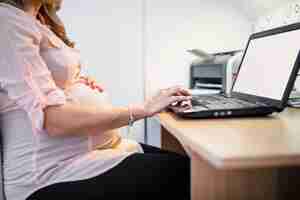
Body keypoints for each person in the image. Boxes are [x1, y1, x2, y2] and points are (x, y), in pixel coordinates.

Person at [0, 0, 192, 200]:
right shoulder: (7, 20)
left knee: (191, 167)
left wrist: (75, 83)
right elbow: (52, 120)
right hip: (48, 174)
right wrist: (143, 109)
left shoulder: (36, 19)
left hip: (89, 155)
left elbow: (32, 84)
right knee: (189, 177)